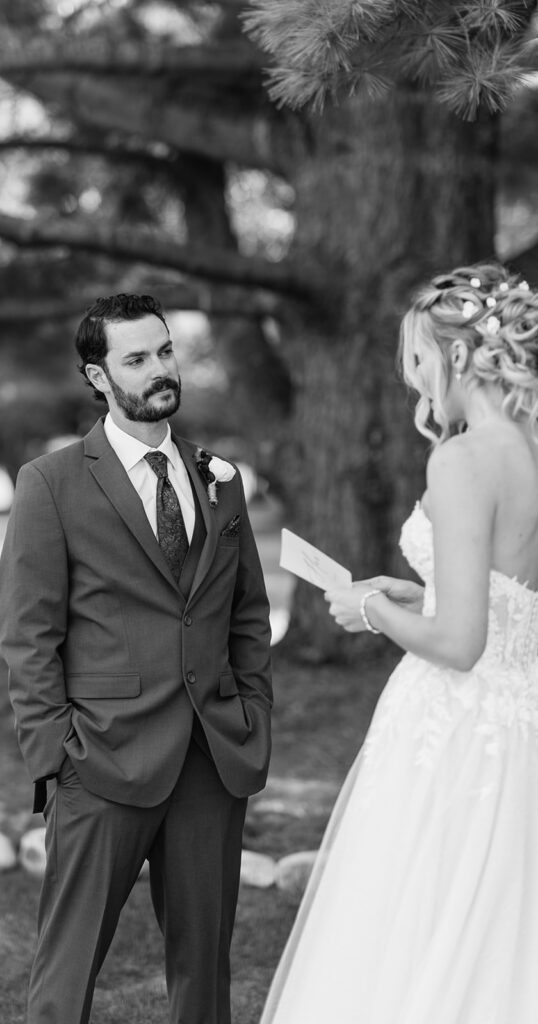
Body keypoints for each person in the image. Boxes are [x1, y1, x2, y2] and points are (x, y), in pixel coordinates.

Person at [260, 263, 538, 1024]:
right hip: (523, 729)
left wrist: (373, 610)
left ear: (454, 355)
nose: (413, 382)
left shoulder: (460, 458)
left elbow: (458, 643)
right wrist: (423, 592)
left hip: (453, 729)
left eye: (417, 359)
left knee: (415, 921)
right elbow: (510, 597)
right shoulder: (530, 451)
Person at [0, 292, 273, 1024]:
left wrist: (252, 711)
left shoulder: (220, 478)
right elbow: (28, 635)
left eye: (165, 351)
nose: (159, 370)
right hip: (101, 759)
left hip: (213, 757)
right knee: (69, 965)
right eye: (137, 358)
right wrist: (55, 753)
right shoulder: (51, 484)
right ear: (97, 376)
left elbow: (247, 613)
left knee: (204, 969)